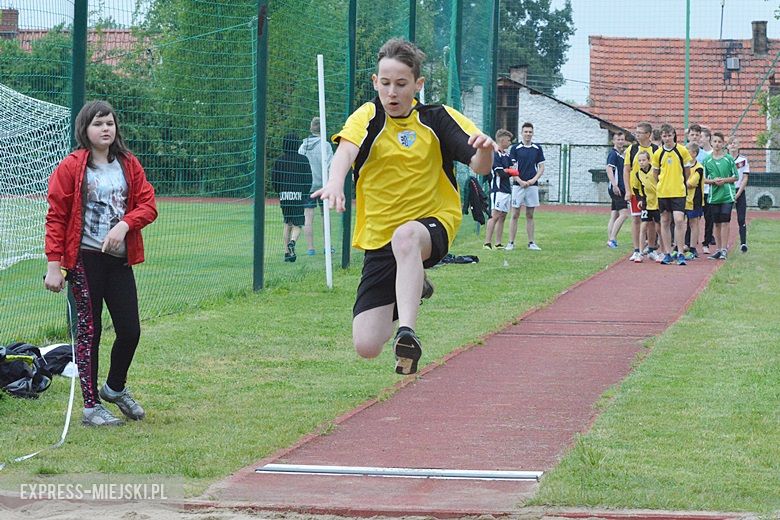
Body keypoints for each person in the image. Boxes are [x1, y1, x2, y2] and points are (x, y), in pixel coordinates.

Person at [313, 38, 495, 375]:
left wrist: (484, 150)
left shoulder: (437, 119)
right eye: (385, 84)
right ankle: (415, 283)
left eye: (401, 84)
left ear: (418, 84)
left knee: (406, 238)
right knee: (366, 345)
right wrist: (336, 181)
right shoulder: (368, 116)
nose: (392, 93)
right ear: (375, 82)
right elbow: (346, 151)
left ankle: (407, 333)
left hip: (432, 223)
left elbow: (481, 165)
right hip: (379, 236)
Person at [44, 100, 157, 427]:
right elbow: (56, 217)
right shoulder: (72, 167)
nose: (105, 128)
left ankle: (114, 388)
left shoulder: (128, 164)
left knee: (130, 330)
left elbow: (148, 205)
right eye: (98, 124)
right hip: (84, 263)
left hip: (119, 262)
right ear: (85, 129)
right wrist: (55, 265)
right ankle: (91, 407)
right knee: (89, 332)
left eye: (109, 123)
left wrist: (125, 224)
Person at [652, 123, 693, 266]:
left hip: (679, 191)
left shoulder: (682, 151)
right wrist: (661, 184)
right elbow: (655, 173)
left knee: (679, 220)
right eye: (664, 136)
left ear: (674, 135)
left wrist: (683, 183)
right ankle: (667, 253)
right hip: (663, 192)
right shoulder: (658, 153)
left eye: (669, 135)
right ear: (661, 137)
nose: (667, 138)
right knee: (664, 221)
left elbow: (688, 171)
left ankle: (680, 252)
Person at [272, 133, 312, 262]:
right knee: (298, 223)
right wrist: (304, 193)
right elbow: (308, 179)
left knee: (287, 222)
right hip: (298, 194)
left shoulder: (279, 161)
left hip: (284, 196)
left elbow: (275, 180)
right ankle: (293, 242)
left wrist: (280, 192)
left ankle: (286, 253)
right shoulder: (303, 160)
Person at [299, 117, 334, 255]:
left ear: (311, 128)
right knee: (325, 216)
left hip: (307, 186)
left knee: (308, 217)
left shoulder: (302, 146)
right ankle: (327, 247)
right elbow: (330, 165)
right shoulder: (325, 145)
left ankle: (310, 248)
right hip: (323, 185)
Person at [506, 122, 544, 251]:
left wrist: (533, 180)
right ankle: (511, 243)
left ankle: (531, 242)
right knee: (515, 213)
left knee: (530, 214)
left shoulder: (537, 148)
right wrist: (519, 180)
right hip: (518, 185)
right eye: (525, 132)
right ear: (522, 133)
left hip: (532, 186)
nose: (528, 134)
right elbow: (511, 168)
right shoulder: (515, 149)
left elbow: (541, 167)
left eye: (530, 132)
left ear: (533, 133)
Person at [623, 122, 657, 262]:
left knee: (652, 222)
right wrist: (627, 190)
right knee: (637, 219)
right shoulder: (632, 149)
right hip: (636, 190)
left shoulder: (656, 149)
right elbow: (626, 169)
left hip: (652, 193)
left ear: (648, 134)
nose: (637, 135)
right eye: (636, 132)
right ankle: (637, 250)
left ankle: (651, 248)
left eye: (640, 132)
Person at [702, 132, 738, 260]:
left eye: (719, 142)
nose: (717, 144)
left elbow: (735, 176)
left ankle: (724, 248)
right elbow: (704, 179)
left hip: (727, 195)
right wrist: (713, 181)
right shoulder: (707, 160)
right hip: (713, 196)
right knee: (716, 223)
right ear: (711, 143)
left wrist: (724, 180)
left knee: (725, 221)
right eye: (715, 141)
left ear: (723, 144)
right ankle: (718, 249)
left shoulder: (728, 159)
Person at [484, 129, 515, 250]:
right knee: (495, 216)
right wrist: (509, 171)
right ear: (502, 140)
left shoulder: (507, 155)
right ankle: (487, 242)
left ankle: (498, 243)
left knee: (503, 216)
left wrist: (509, 171)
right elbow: (500, 173)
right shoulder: (495, 155)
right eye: (508, 140)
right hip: (498, 190)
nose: (509, 143)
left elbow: (512, 169)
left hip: (507, 190)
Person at [632, 150, 662, 262]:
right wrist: (640, 199)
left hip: (658, 202)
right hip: (646, 203)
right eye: (639, 160)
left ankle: (659, 251)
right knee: (643, 226)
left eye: (644, 160)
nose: (641, 162)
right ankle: (639, 252)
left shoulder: (655, 171)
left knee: (658, 227)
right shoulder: (638, 174)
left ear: (649, 160)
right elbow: (635, 188)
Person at [605, 131, 628, 248]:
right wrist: (614, 185)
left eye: (622, 139)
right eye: (618, 139)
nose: (620, 141)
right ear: (613, 141)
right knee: (624, 214)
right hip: (617, 188)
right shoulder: (613, 154)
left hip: (618, 187)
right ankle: (613, 239)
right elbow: (609, 169)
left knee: (614, 214)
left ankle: (610, 239)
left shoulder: (621, 154)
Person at [684, 142, 705, 259]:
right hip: (682, 198)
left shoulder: (699, 168)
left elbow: (691, 183)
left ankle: (693, 248)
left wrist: (679, 183)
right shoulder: (682, 166)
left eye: (688, 152)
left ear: (694, 154)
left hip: (694, 199)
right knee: (680, 222)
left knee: (693, 223)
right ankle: (679, 246)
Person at [728, 138, 750, 252]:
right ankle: (723, 244)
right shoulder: (724, 159)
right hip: (726, 190)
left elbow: (745, 178)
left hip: (739, 191)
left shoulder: (743, 160)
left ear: (739, 145)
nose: (732, 145)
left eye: (735, 143)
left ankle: (743, 243)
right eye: (730, 143)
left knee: (741, 218)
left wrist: (738, 193)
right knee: (724, 218)